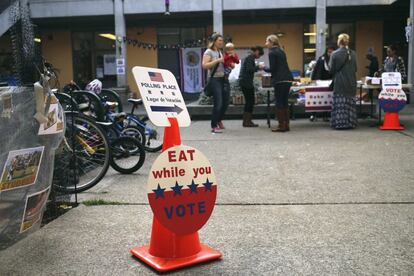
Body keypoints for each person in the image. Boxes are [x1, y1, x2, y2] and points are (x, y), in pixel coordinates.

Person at [264, 34, 293, 132]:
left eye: (267, 41)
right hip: (288, 78)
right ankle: (286, 124)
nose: (265, 44)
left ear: (272, 42)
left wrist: (263, 67)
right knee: (285, 102)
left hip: (279, 80)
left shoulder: (271, 52)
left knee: (279, 102)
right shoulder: (281, 51)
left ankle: (281, 125)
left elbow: (273, 69)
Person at [329, 33, 358, 130]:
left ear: (339, 41)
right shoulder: (353, 53)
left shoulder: (335, 54)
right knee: (350, 103)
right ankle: (351, 123)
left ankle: (340, 123)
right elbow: (355, 69)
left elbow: (331, 69)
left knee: (340, 104)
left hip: (340, 83)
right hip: (351, 82)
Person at [202, 33, 228, 134]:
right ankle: (214, 125)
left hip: (223, 79)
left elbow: (222, 64)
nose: (222, 42)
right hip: (214, 80)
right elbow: (204, 66)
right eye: (219, 40)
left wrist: (229, 64)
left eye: (222, 41)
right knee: (218, 103)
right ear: (214, 41)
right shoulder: (209, 52)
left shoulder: (219, 51)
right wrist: (217, 60)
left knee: (225, 102)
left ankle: (219, 120)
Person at [238, 46, 265, 127]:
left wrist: (256, 68)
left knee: (249, 102)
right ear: (256, 51)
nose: (259, 56)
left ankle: (247, 121)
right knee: (250, 101)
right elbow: (249, 69)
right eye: (259, 54)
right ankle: (247, 121)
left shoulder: (249, 57)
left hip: (244, 82)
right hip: (246, 82)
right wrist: (258, 67)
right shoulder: (250, 58)